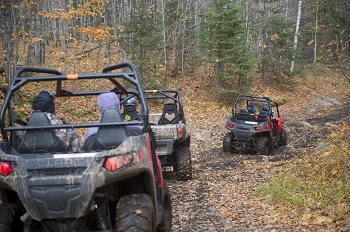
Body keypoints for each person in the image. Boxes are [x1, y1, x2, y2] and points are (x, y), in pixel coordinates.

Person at [17, 90, 81, 152]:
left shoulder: (21, 130)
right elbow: (77, 152)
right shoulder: (66, 129)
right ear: (52, 107)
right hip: (59, 161)